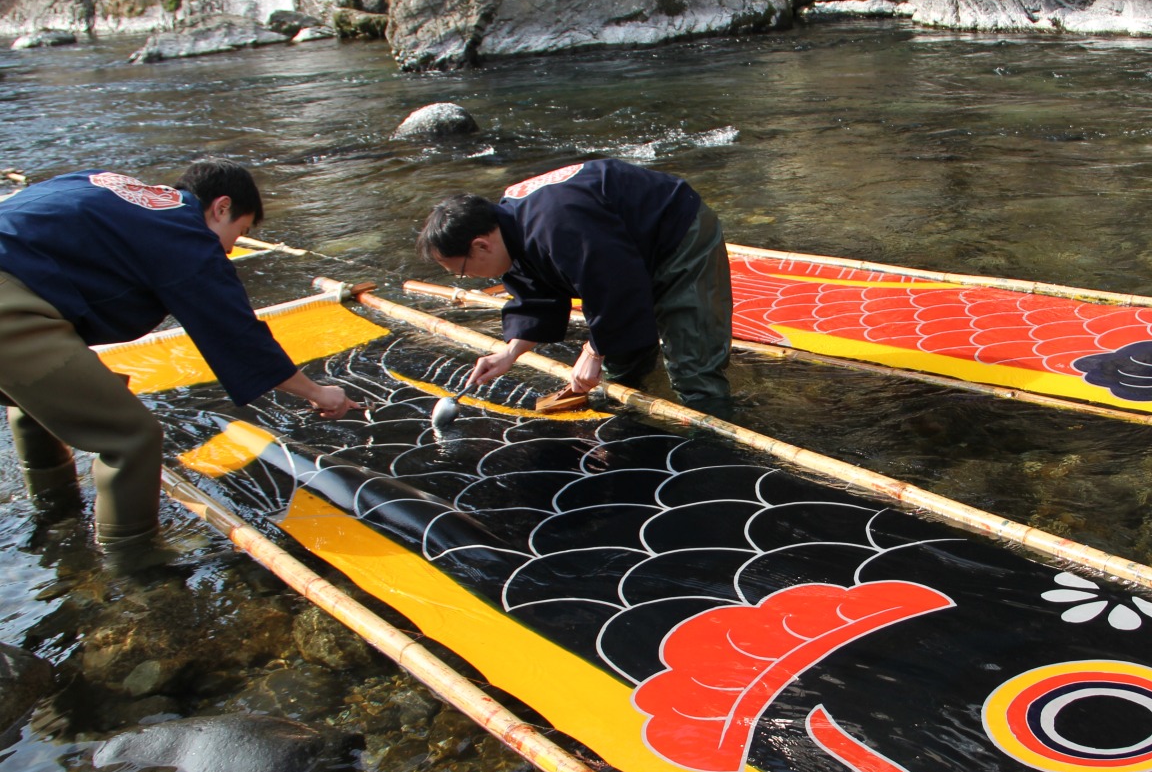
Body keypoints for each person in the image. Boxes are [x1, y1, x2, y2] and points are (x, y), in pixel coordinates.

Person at [0, 161, 361, 569]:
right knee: (130, 438)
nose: (229, 249)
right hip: (9, 306)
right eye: (238, 234)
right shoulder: (183, 229)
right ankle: (133, 564)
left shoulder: (112, 187)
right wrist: (317, 392)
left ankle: (56, 511)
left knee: (34, 401)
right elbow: (236, 333)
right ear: (220, 207)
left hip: (18, 284)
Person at [416, 158, 733, 410]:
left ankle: (714, 443)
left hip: (675, 231)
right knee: (620, 367)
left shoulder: (558, 224)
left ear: (481, 245)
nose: (467, 279)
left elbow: (617, 285)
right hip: (625, 248)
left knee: (693, 367)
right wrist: (509, 354)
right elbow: (536, 297)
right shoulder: (508, 227)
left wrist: (594, 350)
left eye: (461, 270)